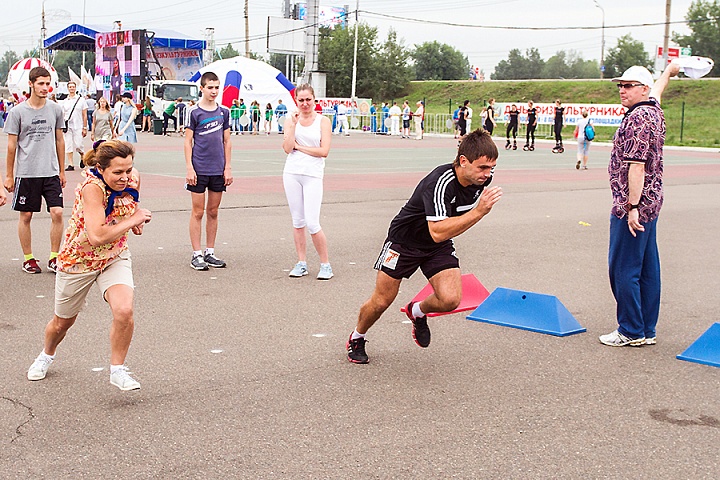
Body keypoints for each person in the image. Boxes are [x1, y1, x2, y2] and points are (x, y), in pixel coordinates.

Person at [346, 129, 503, 364]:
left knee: (450, 299)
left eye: (492, 168)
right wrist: (479, 212)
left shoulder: (481, 179)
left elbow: (439, 236)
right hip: (404, 242)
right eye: (482, 167)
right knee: (381, 301)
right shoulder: (440, 182)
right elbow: (438, 231)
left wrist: (476, 210)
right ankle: (357, 337)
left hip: (436, 245)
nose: (487, 174)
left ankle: (417, 311)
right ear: (463, 161)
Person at [25, 139, 152, 391]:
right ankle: (46, 354)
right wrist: (133, 220)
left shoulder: (131, 178)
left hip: (114, 256)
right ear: (101, 168)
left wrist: (134, 219)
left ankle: (117, 370)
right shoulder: (91, 188)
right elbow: (96, 236)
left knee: (124, 311)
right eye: (118, 172)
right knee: (62, 323)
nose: (125, 177)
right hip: (79, 260)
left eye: (128, 170)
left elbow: (130, 206)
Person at [599, 62, 680, 347]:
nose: (622, 90)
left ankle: (630, 330)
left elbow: (637, 166)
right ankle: (646, 328)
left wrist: (632, 207)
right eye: (620, 86)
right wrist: (668, 72)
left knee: (623, 268)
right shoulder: (653, 109)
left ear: (642, 89)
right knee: (647, 269)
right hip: (652, 202)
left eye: (629, 86)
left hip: (633, 206)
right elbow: (658, 89)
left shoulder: (637, 119)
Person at [4, 66, 66, 274]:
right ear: (30, 84)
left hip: (50, 171)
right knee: (26, 215)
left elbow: (59, 140)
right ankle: (28, 259)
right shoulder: (17, 112)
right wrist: (9, 175)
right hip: (27, 173)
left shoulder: (55, 109)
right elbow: (12, 146)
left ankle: (54, 257)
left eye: (48, 84)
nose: (45, 87)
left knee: (57, 212)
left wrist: (62, 170)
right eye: (41, 83)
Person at [281, 83, 334, 280]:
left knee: (312, 223)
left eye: (308, 100)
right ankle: (301, 262)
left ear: (314, 100)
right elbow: (287, 148)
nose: (305, 104)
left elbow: (323, 151)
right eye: (301, 100)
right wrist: (293, 126)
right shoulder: (290, 120)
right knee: (298, 221)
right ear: (296, 101)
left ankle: (325, 264)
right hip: (292, 173)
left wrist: (300, 147)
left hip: (312, 175)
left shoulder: (323, 121)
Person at [184, 72, 233, 271]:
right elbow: (188, 141)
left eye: (216, 87)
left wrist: (227, 167)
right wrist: (190, 168)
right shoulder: (194, 112)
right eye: (210, 87)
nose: (214, 91)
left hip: (217, 169)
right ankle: (196, 254)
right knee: (198, 211)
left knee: (213, 211)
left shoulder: (224, 112)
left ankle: (210, 252)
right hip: (199, 168)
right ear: (202, 88)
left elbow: (227, 141)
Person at [62, 81, 88, 171]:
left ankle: (82, 156)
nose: (72, 88)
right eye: (70, 87)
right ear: (68, 88)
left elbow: (84, 114)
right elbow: (62, 114)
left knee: (78, 144)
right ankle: (71, 164)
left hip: (78, 125)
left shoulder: (81, 100)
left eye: (73, 87)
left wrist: (85, 127)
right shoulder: (65, 101)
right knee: (68, 144)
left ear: (75, 88)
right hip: (68, 126)